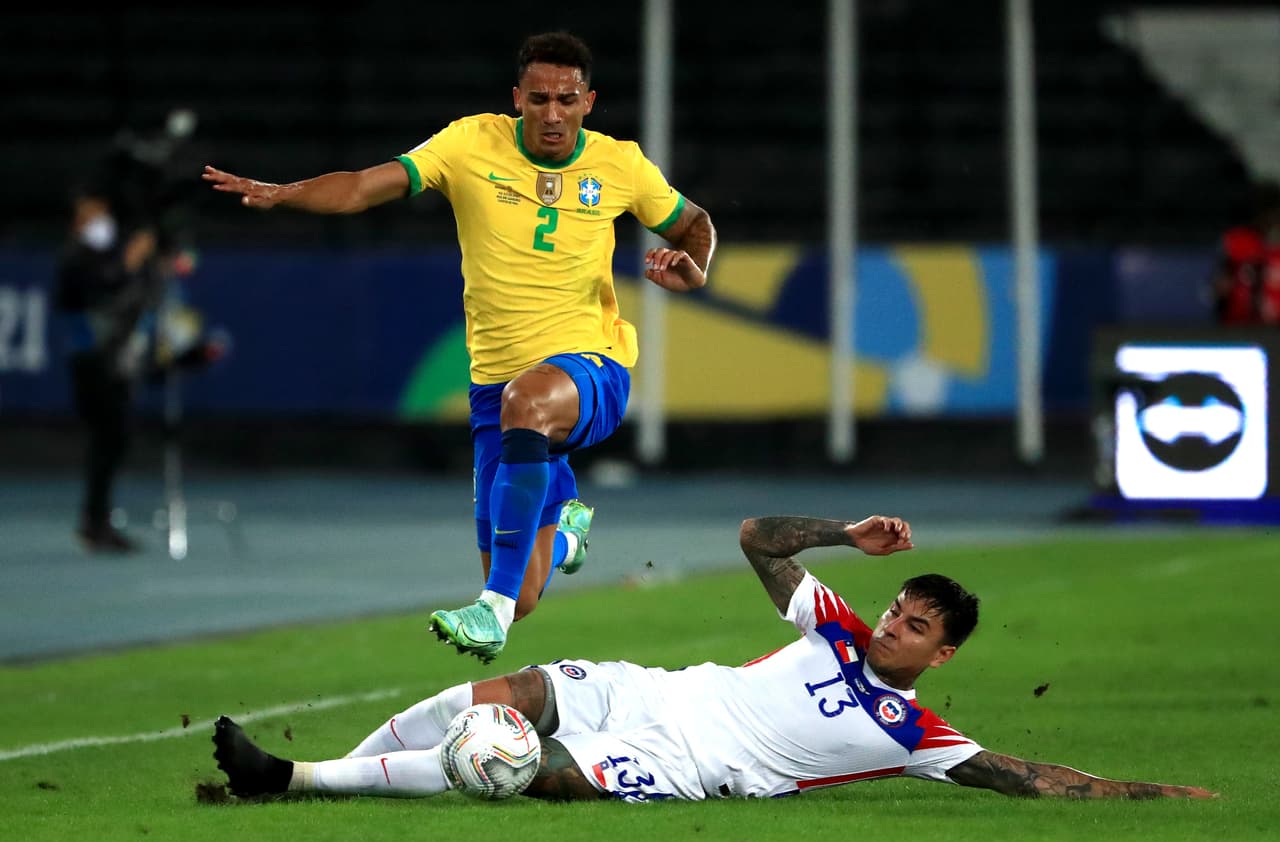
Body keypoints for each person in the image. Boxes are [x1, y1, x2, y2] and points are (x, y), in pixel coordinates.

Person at [202, 31, 717, 664]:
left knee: (527, 409)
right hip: (496, 393)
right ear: (516, 98)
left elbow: (695, 224)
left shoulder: (621, 165)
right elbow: (363, 186)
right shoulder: (469, 144)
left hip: (593, 371)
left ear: (589, 102)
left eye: (566, 99)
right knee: (525, 590)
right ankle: (565, 540)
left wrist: (694, 269)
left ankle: (489, 611)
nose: (552, 113)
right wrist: (284, 193)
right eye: (539, 99)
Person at [211, 513, 1215, 802]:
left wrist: (1161, 795)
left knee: (516, 765)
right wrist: (845, 535)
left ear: (940, 654)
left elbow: (1033, 778)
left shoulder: (913, 732)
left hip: (692, 763)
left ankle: (294, 780)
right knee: (499, 691)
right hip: (657, 691)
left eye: (913, 627)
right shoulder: (833, 622)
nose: (890, 624)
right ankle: (321, 773)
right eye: (895, 607)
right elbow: (756, 539)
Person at [54, 189, 161, 553]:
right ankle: (95, 522)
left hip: (112, 358)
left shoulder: (103, 254)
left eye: (101, 213)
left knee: (113, 440)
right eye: (90, 215)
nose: (99, 222)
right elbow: (103, 287)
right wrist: (131, 259)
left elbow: (132, 293)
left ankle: (96, 520)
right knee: (108, 438)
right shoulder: (75, 258)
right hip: (91, 360)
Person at [1212, 181, 1280, 325]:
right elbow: (1221, 284)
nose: (1270, 220)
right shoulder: (1238, 241)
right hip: (1239, 324)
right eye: (1266, 213)